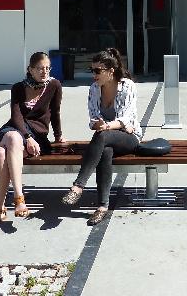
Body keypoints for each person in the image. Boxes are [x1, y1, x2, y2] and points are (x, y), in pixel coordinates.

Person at [0, 52, 65, 228]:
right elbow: (16, 116)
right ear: (30, 69)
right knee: (13, 137)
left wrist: (58, 135)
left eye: (47, 68)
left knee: (2, 154)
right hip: (15, 130)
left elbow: (55, 112)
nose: (44, 72)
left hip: (38, 136)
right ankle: (19, 197)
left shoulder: (54, 85)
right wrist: (27, 137)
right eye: (40, 68)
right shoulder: (18, 88)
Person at [61, 48, 142, 225]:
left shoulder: (127, 86)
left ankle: (78, 186)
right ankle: (102, 207)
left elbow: (126, 119)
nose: (94, 75)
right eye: (92, 70)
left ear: (110, 71)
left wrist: (106, 126)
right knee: (105, 151)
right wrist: (98, 124)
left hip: (130, 138)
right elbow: (93, 118)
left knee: (103, 136)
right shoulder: (94, 89)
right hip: (106, 138)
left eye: (98, 71)